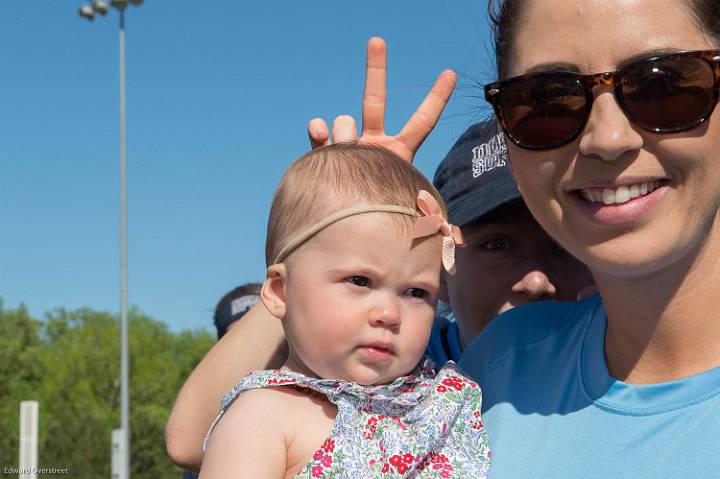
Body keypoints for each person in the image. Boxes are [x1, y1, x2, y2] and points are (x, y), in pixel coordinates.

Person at [164, 40, 593, 471]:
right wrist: (337, 228)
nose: (535, 280)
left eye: (561, 244)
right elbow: (191, 438)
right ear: (447, 269)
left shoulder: (612, 363)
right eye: (497, 244)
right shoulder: (387, 362)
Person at [455, 0, 720, 476]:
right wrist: (346, 229)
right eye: (546, 103)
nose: (608, 138)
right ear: (509, 148)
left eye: (662, 85)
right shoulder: (500, 367)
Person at [199, 143, 490, 478]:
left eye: (416, 292)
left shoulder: (442, 400)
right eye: (360, 280)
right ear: (281, 291)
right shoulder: (263, 417)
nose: (388, 313)